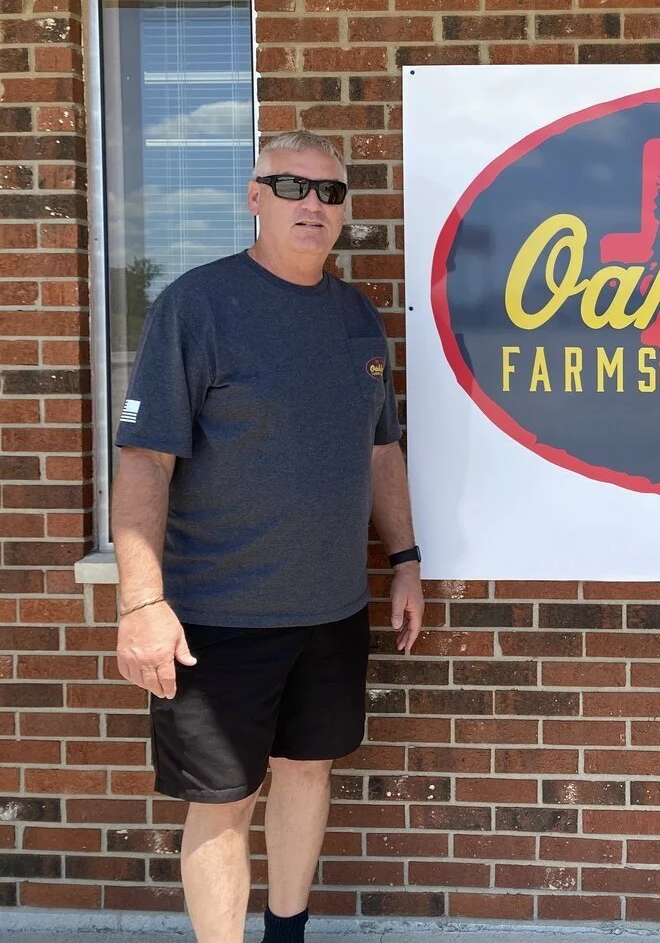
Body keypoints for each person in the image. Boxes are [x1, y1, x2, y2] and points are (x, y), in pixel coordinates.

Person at [111, 131, 425, 943]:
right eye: (292, 186)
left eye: (330, 192)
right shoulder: (199, 304)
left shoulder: (356, 314)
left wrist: (405, 560)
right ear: (256, 198)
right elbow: (145, 459)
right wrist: (141, 599)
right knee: (220, 801)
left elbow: (381, 446)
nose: (313, 205)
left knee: (306, 772)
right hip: (220, 617)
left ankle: (288, 932)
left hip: (330, 609)